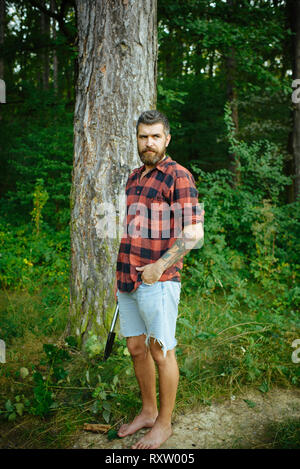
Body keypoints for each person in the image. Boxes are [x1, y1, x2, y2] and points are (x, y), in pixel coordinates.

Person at [115, 110, 204, 449]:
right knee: (136, 348)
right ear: (137, 140)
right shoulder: (134, 177)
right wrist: (122, 270)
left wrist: (159, 266)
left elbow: (193, 233)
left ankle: (164, 424)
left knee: (160, 350)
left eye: (155, 136)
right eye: (143, 136)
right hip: (128, 277)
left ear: (166, 139)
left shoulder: (178, 177)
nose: (148, 142)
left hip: (159, 280)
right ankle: (149, 412)